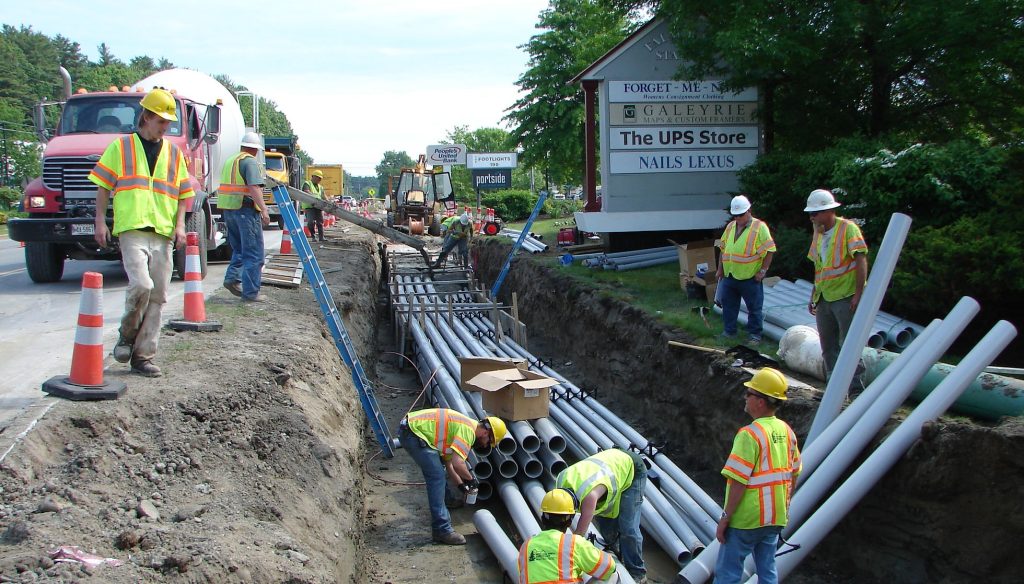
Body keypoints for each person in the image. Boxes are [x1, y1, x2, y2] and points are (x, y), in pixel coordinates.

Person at [88, 88, 193, 378]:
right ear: (146, 117)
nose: (165, 128)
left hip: (162, 230)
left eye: (168, 123)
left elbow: (183, 193)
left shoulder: (173, 153)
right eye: (161, 121)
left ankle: (143, 356)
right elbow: (103, 186)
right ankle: (127, 334)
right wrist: (100, 220)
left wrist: (180, 225)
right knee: (142, 286)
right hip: (132, 227)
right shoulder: (121, 148)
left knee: (158, 296)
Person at [715, 367, 801, 584]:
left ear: (761, 402)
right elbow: (795, 473)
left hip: (747, 519)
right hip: (775, 518)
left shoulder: (749, 435)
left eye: (750, 393)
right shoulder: (786, 431)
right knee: (768, 572)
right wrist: (785, 507)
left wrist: (725, 518)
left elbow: (738, 481)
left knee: (728, 574)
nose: (746, 397)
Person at [398, 408, 507, 545]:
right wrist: (472, 481)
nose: (485, 445)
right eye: (488, 441)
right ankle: (442, 530)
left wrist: (462, 487)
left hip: (411, 429)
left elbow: (450, 465)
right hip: (413, 433)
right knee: (436, 477)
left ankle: (448, 500)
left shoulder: (465, 426)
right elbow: (458, 464)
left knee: (440, 469)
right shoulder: (468, 431)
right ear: (486, 432)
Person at [803, 189, 869, 380]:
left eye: (814, 214)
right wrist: (813, 295)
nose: (812, 218)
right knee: (827, 345)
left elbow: (860, 260)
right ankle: (833, 385)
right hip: (824, 297)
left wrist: (858, 294)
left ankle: (856, 388)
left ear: (828, 211)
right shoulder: (818, 234)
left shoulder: (848, 229)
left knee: (850, 344)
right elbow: (819, 267)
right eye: (810, 214)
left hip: (844, 296)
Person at [555, 448, 647, 583]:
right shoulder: (561, 484)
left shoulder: (589, 496)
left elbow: (579, 535)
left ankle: (637, 572)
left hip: (631, 468)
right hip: (609, 469)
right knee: (606, 525)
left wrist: (563, 552)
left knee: (628, 527)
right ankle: (617, 556)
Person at [518, 488, 618, 583]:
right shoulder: (574, 544)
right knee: (612, 575)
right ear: (570, 521)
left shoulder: (526, 545)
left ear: (543, 518)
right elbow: (609, 568)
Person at [715, 195, 776, 344]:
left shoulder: (759, 227)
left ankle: (754, 335)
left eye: (741, 215)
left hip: (749, 277)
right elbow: (723, 249)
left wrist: (762, 272)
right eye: (735, 215)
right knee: (729, 305)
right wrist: (720, 269)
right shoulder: (731, 227)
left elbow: (770, 250)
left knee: (754, 308)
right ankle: (729, 332)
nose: (738, 218)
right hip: (730, 275)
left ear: (749, 211)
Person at [220, 131, 271, 302]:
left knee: (240, 250)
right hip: (246, 210)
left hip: (229, 210)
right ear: (256, 149)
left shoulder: (230, 161)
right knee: (254, 253)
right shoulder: (249, 162)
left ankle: (232, 278)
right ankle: (251, 293)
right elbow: (254, 187)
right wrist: (264, 210)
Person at [302, 169, 326, 241]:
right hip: (310, 207)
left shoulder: (320, 187)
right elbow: (306, 191)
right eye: (318, 178)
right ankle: (313, 236)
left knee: (320, 222)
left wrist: (329, 201)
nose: (319, 180)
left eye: (320, 178)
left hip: (318, 206)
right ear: (313, 177)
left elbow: (323, 196)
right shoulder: (307, 183)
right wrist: (315, 197)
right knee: (310, 222)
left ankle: (321, 238)